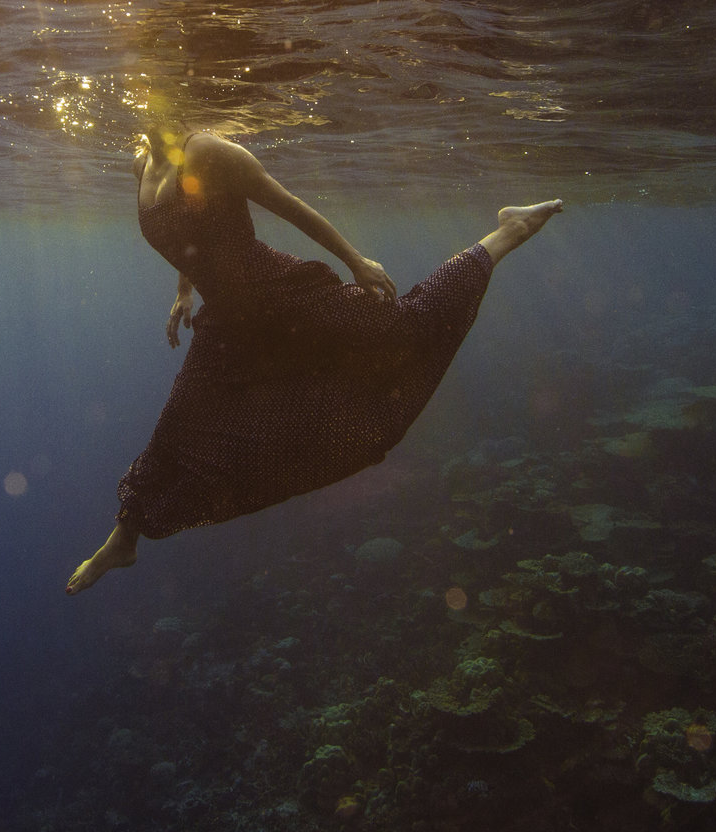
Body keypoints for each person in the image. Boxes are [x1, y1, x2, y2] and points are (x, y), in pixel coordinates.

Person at [66, 126, 562, 594]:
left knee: (404, 331)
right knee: (177, 426)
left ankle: (507, 232)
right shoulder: (142, 165)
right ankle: (123, 542)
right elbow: (188, 242)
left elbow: (292, 208)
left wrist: (355, 261)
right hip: (229, 322)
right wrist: (183, 292)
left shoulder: (208, 153)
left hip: (281, 295)